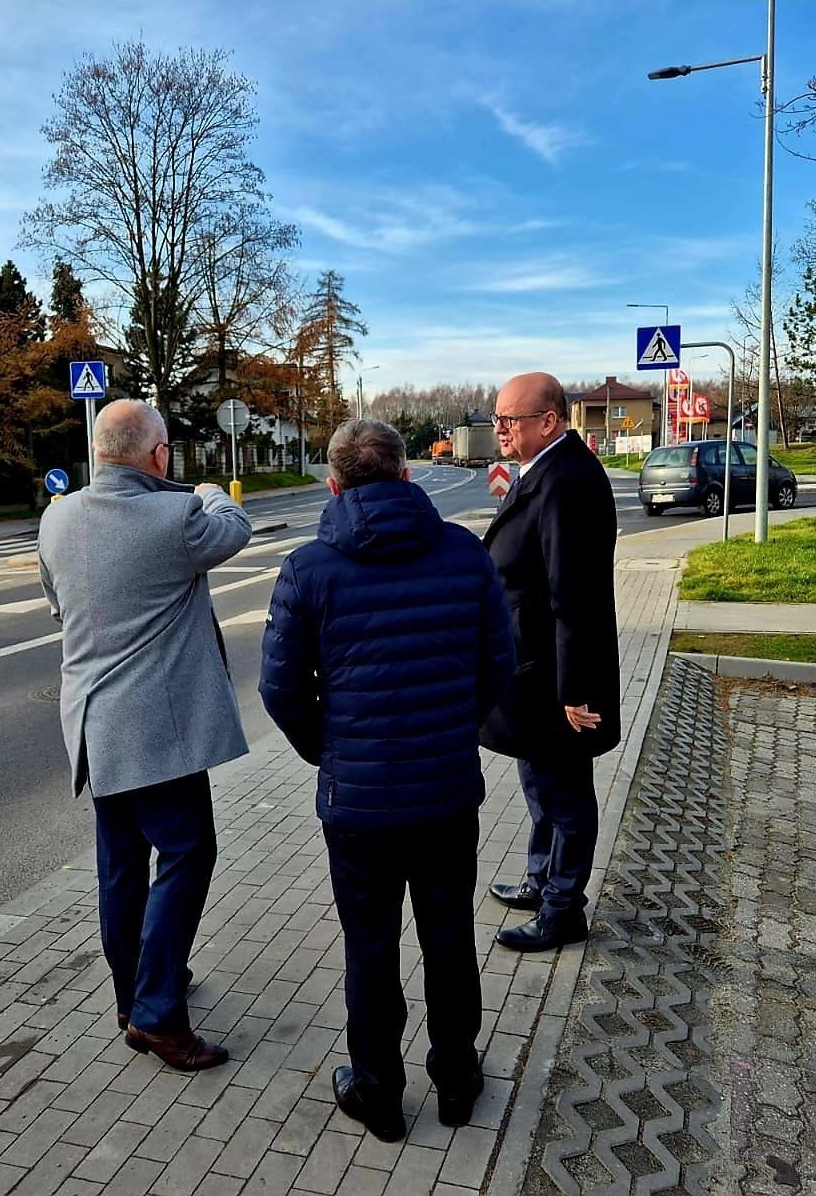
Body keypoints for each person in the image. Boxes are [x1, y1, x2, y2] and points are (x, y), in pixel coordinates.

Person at [260, 419, 514, 1143]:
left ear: (333, 485)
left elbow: (279, 690)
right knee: (450, 936)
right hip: (444, 792)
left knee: (368, 947)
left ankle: (378, 1091)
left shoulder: (308, 568)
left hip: (359, 804)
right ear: (407, 477)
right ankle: (457, 1079)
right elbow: (501, 663)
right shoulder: (464, 554)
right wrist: (452, 732)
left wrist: (330, 750)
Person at [37, 399, 251, 1071]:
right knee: (187, 855)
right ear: (157, 456)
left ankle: (134, 995)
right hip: (159, 732)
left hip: (95, 728)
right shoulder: (178, 516)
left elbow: (57, 603)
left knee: (122, 866)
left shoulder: (56, 517)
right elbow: (235, 526)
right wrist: (211, 490)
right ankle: (157, 1016)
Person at [482, 372, 620, 952]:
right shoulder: (543, 472)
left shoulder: (565, 481)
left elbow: (574, 598)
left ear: (549, 422)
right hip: (531, 670)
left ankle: (564, 908)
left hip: (556, 679)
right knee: (539, 784)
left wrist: (576, 693)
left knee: (565, 796)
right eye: (497, 419)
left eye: (509, 420)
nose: (499, 429)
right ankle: (541, 881)